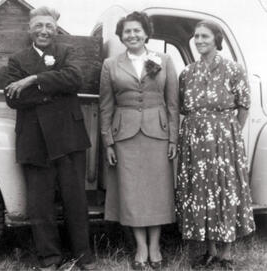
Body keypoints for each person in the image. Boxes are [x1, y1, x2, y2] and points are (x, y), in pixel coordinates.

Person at [4, 6, 95, 271]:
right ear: (30, 29)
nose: (44, 31)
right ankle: (49, 258)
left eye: (49, 27)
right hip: (34, 140)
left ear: (55, 30)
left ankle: (84, 256)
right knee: (40, 204)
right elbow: (14, 98)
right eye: (39, 26)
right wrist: (55, 91)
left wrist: (33, 79)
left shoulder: (67, 53)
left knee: (75, 200)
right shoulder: (17, 60)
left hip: (68, 137)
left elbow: (75, 78)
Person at [99, 11, 179, 270]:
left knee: (157, 193)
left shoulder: (164, 60)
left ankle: (155, 246)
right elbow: (105, 107)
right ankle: (140, 247)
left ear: (146, 33)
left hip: (158, 134)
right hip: (125, 136)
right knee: (131, 193)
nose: (132, 35)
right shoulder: (111, 64)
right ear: (121, 36)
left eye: (137, 30)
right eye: (127, 32)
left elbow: (173, 103)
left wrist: (173, 139)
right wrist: (108, 141)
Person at [176, 20, 255, 270]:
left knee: (224, 190)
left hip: (224, 139)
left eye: (205, 36)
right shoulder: (187, 72)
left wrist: (229, 133)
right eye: (196, 36)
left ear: (216, 39)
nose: (199, 40)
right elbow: (182, 106)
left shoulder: (233, 69)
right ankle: (209, 250)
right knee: (201, 192)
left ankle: (227, 252)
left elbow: (244, 104)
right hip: (195, 141)